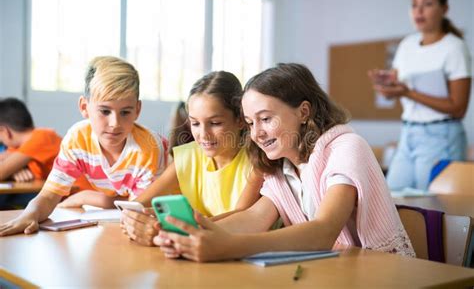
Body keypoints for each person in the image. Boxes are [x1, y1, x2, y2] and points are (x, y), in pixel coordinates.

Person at [152, 63, 415, 262]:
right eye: (251, 122)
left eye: (266, 119)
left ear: (303, 112)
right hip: (332, 273)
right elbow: (252, 218)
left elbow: (324, 231)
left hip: (381, 273)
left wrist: (227, 246)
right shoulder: (281, 166)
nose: (256, 133)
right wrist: (187, 233)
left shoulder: (346, 148)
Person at [0, 56, 168, 236]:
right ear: (84, 107)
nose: (115, 123)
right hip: (118, 203)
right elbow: (49, 195)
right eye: (105, 111)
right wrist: (30, 214)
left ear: (137, 110)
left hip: (165, 208)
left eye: (125, 112)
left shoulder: (148, 147)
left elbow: (136, 213)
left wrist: (87, 197)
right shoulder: (77, 139)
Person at [121, 71, 263, 246]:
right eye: (195, 123)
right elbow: (138, 205)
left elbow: (241, 216)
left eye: (215, 123)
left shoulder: (257, 161)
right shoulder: (188, 157)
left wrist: (165, 228)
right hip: (199, 248)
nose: (203, 134)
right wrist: (137, 219)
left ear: (241, 120)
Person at [368, 0, 471, 191]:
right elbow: (393, 92)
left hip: (442, 134)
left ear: (444, 8)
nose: (419, 10)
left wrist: (409, 93)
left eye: (428, 3)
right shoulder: (407, 45)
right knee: (391, 197)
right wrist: (385, 86)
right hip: (408, 133)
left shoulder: (454, 47)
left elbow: (459, 108)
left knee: (432, 205)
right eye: (414, 4)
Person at [0, 98, 62, 182]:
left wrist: (9, 171)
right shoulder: (20, 146)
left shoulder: (41, 137)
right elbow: (2, 159)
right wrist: (13, 171)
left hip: (77, 192)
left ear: (4, 131)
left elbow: (1, 172)